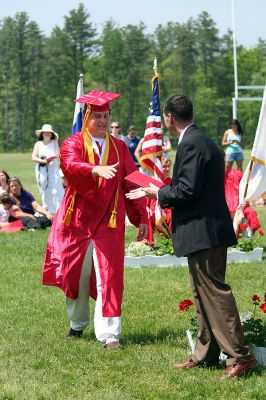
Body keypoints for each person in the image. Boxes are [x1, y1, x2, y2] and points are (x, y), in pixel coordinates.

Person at [126, 94, 256, 379]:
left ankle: (240, 356)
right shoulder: (200, 139)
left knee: (215, 294)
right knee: (202, 296)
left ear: (169, 118)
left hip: (204, 231)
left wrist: (156, 192)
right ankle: (206, 354)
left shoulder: (192, 143)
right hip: (205, 229)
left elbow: (186, 190)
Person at [42, 90, 148, 349]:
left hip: (109, 220)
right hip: (76, 219)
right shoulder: (73, 143)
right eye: (98, 116)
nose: (103, 120)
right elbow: (69, 164)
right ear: (87, 116)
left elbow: (132, 180)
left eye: (106, 115)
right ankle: (77, 323)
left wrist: (142, 216)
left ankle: (110, 334)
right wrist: (94, 169)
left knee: (110, 275)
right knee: (75, 274)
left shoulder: (120, 147)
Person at [32, 123, 64, 214]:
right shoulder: (38, 144)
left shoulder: (54, 143)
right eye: (45, 132)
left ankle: (58, 209)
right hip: (42, 169)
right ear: (42, 134)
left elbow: (58, 155)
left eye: (49, 133)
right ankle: (46, 208)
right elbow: (33, 157)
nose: (47, 134)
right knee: (44, 188)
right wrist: (44, 161)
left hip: (53, 168)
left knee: (57, 188)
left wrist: (57, 141)